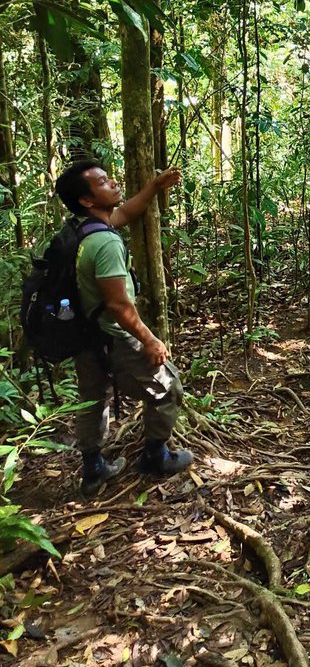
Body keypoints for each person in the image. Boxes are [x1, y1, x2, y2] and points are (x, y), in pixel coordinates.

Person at [53, 159, 193, 496]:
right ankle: (156, 457)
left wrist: (154, 188)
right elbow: (118, 305)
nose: (113, 182)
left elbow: (124, 214)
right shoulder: (106, 245)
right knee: (168, 387)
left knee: (91, 399)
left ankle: (93, 468)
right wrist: (150, 340)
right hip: (114, 337)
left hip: (85, 336)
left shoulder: (82, 230)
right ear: (87, 199)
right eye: (103, 182)